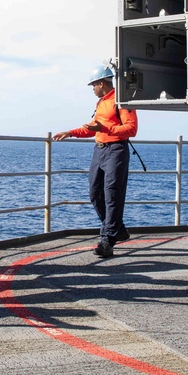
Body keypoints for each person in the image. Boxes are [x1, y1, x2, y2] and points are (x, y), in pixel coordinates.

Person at [53, 63, 138, 257]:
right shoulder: (101, 103)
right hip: (99, 150)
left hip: (116, 150)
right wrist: (71, 133)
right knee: (95, 193)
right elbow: (94, 127)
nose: (92, 89)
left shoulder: (122, 100)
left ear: (101, 83)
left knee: (112, 195)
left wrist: (104, 129)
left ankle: (107, 240)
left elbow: (131, 129)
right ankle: (117, 228)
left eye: (93, 85)